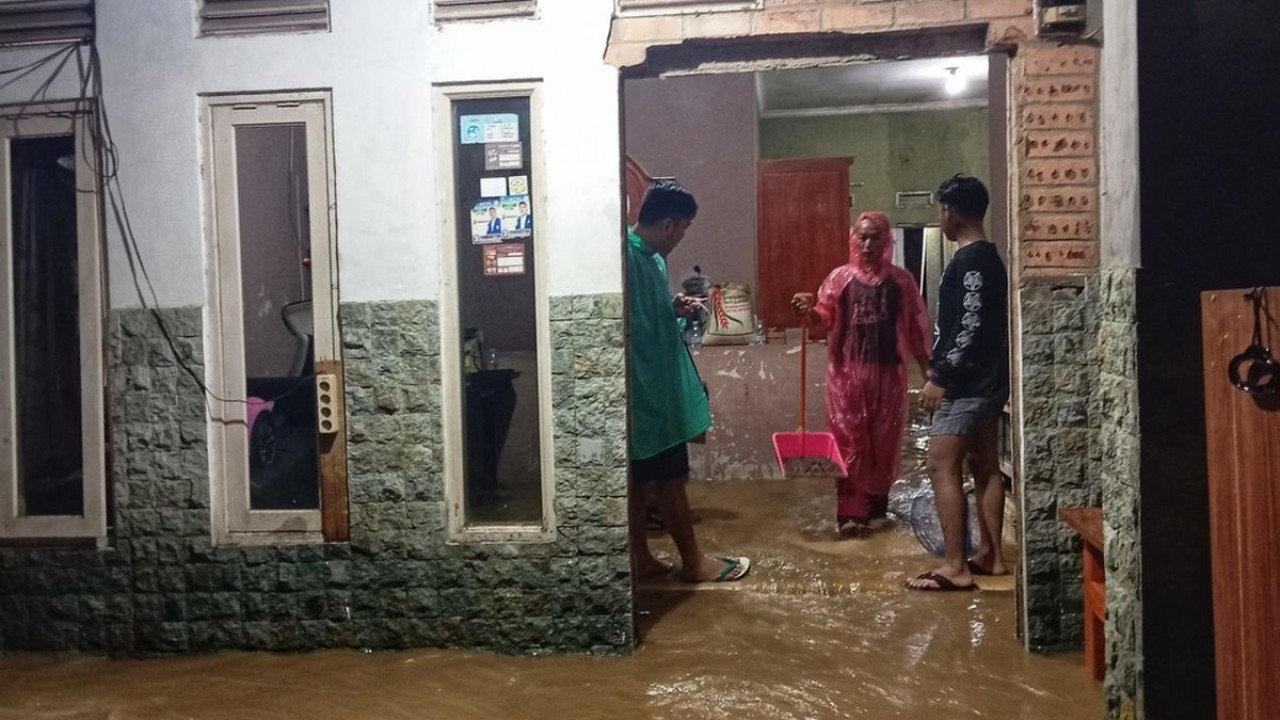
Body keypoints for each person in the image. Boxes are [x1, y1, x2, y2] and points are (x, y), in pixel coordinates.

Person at [628, 180, 751, 583]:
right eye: (683, 228)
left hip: (660, 384)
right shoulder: (625, 258)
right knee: (668, 480)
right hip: (645, 391)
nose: (681, 237)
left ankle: (640, 558)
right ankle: (694, 564)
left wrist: (672, 307)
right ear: (667, 224)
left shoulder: (654, 261)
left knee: (642, 481)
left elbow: (646, 314)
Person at [791, 211, 932, 531]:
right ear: (854, 240)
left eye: (875, 238)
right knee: (849, 443)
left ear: (886, 241)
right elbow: (823, 318)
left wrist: (927, 371)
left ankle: (877, 510)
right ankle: (850, 514)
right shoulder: (839, 278)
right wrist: (807, 311)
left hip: (889, 377)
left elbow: (915, 327)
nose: (867, 244)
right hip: (846, 377)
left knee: (884, 443)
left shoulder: (901, 281)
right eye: (862, 238)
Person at [907, 175, 1010, 592]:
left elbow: (968, 326)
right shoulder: (988, 258)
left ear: (949, 212)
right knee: (984, 465)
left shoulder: (971, 262)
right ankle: (991, 556)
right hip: (989, 382)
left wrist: (940, 377)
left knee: (940, 463)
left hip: (969, 385)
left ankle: (956, 566)